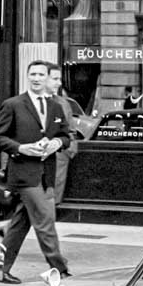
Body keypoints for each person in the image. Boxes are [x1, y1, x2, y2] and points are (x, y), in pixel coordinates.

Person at [0, 60, 71, 283]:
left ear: (48, 78)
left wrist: (57, 143)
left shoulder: (55, 106)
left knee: (20, 223)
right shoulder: (13, 104)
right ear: (28, 77)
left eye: (41, 75)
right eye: (32, 74)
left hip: (46, 174)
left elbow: (66, 136)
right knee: (45, 219)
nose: (36, 78)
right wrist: (20, 148)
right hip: (24, 174)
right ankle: (60, 268)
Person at [46, 64, 78, 207]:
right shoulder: (24, 102)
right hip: (33, 159)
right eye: (55, 79)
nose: (59, 83)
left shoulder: (62, 103)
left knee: (51, 203)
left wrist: (68, 150)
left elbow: (71, 130)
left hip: (58, 156)